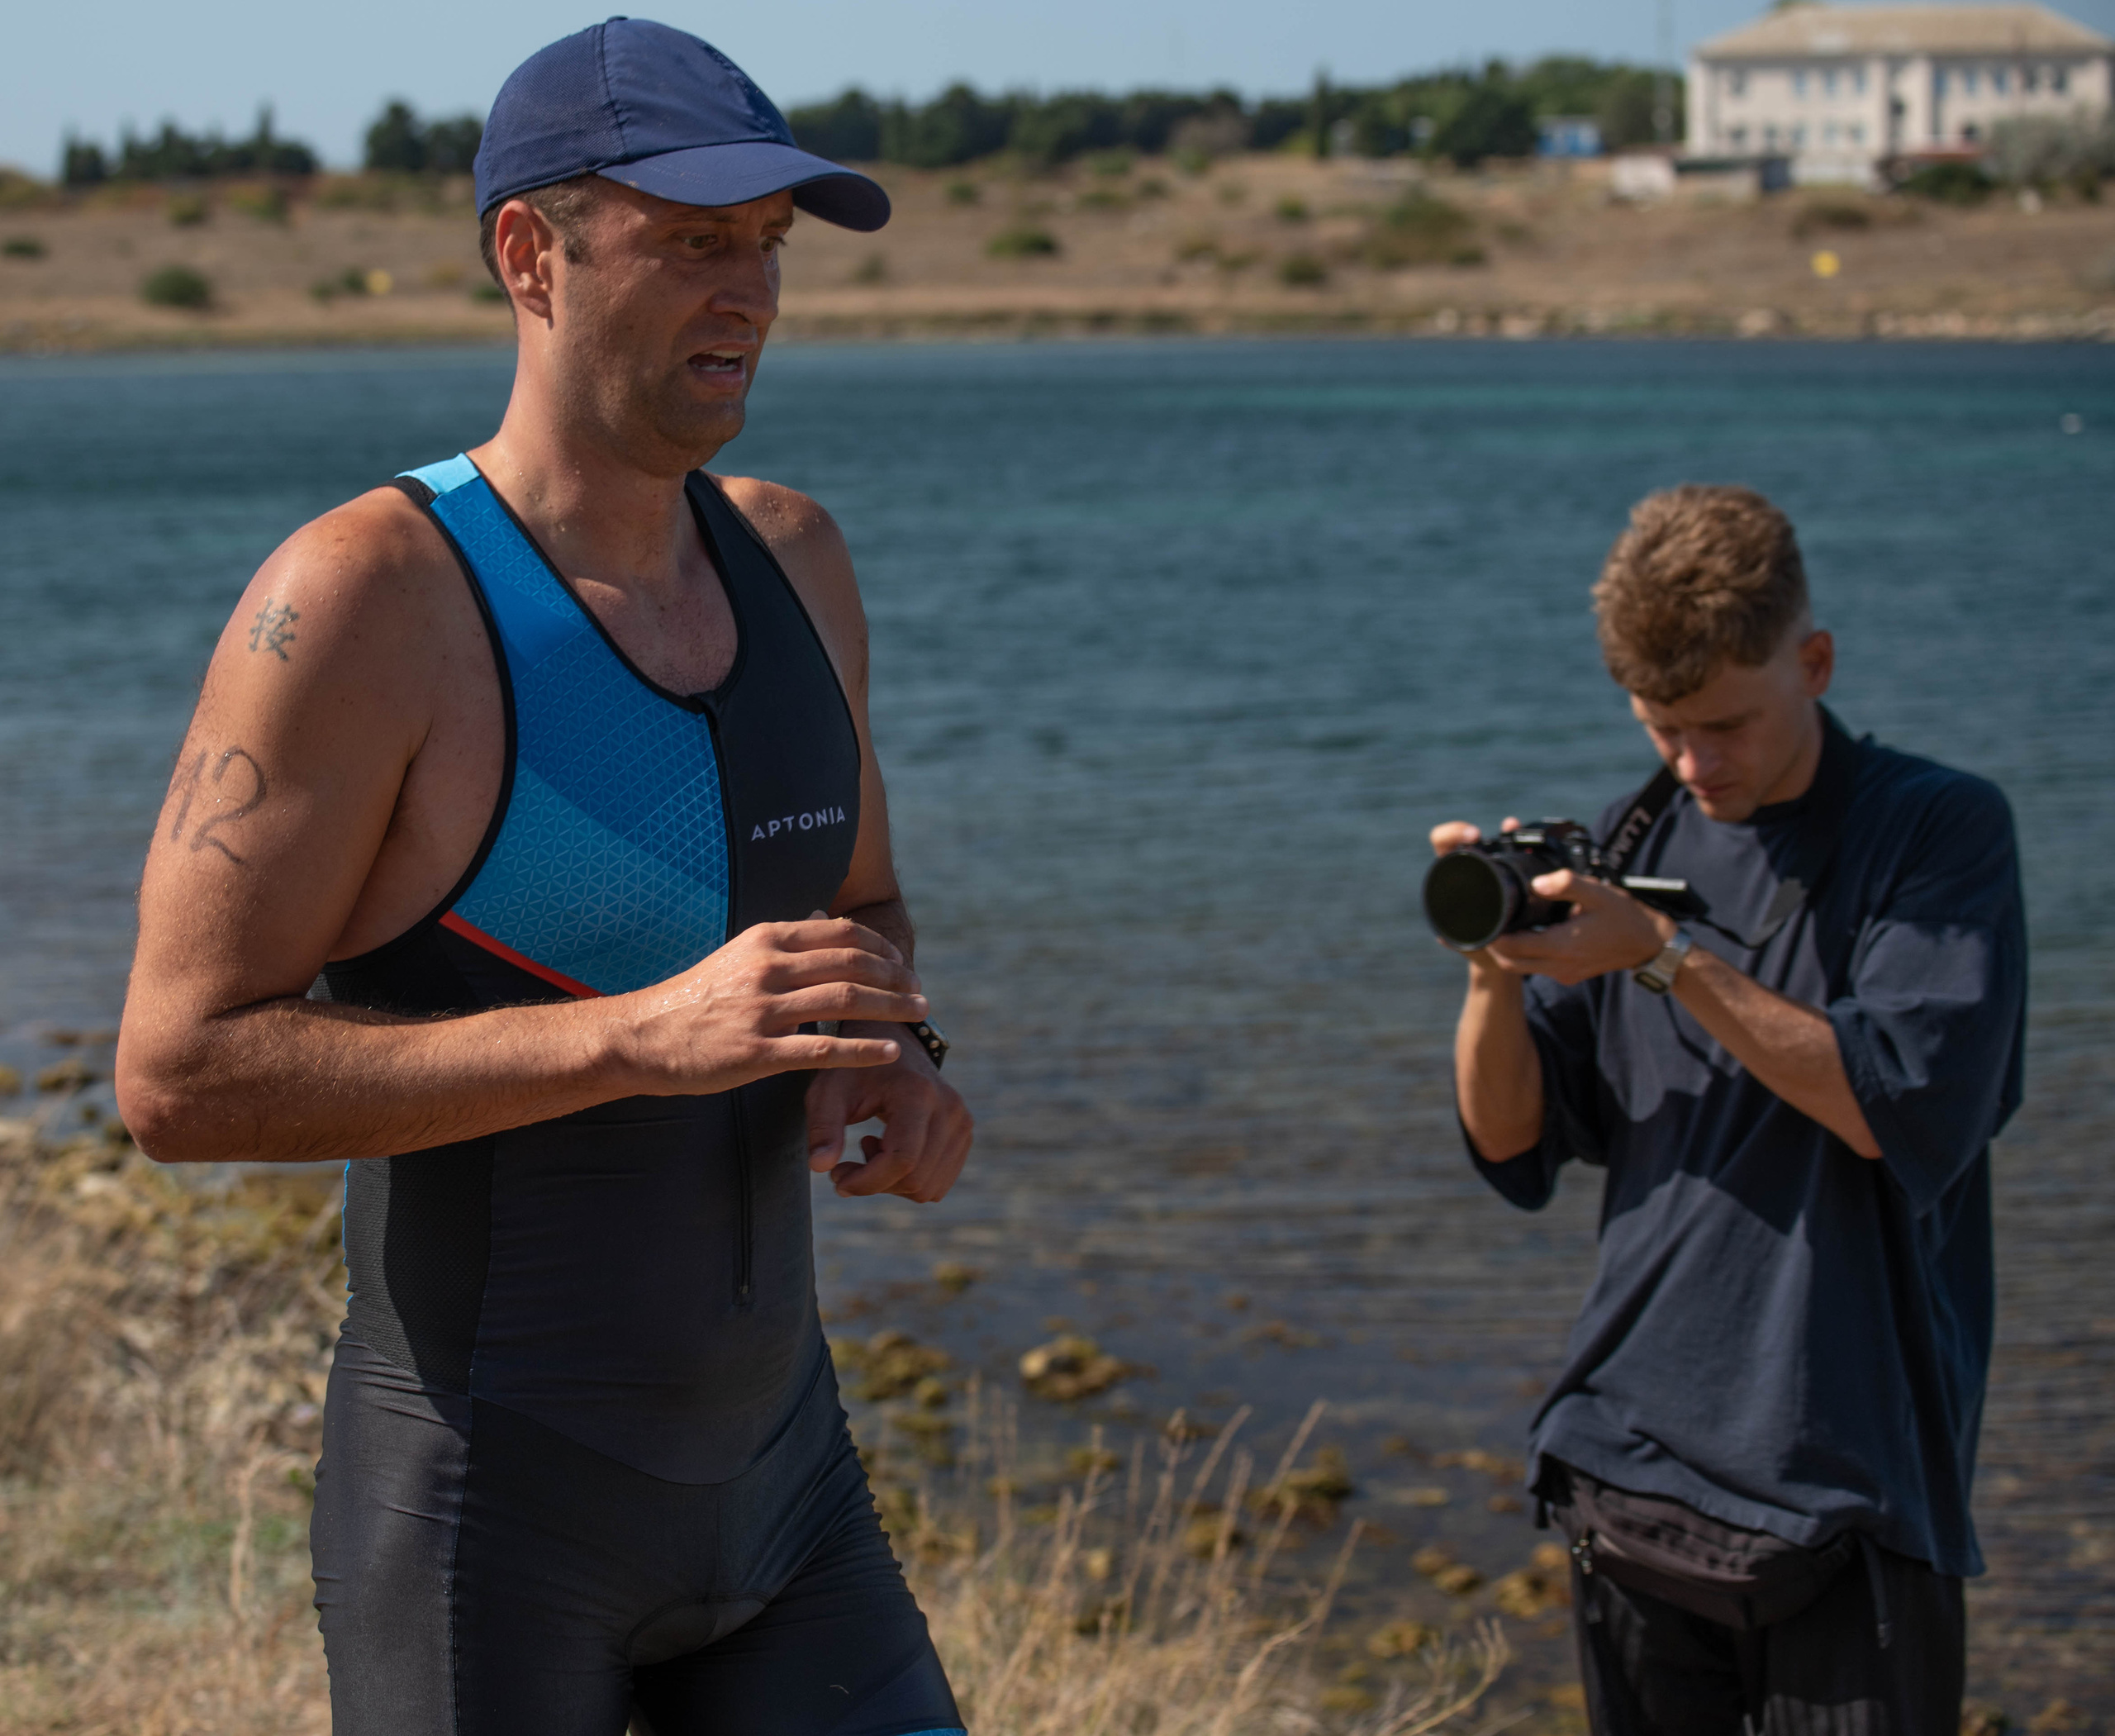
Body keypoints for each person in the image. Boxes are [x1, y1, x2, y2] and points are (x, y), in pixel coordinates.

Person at [115, 21, 972, 1735]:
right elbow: (176, 1073)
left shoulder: (795, 558)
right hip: (485, 1518)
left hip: (784, 1487)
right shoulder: (369, 598)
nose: (747, 295)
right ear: (531, 253)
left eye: (767, 249)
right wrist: (633, 1039)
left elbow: (857, 907)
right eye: (691, 242)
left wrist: (889, 1046)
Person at [1432, 485, 2024, 1734]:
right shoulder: (1631, 833)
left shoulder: (1936, 832)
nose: (1695, 765)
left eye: (1725, 724)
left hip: (1845, 1487)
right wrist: (1493, 974)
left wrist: (1662, 955)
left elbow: (1892, 1108)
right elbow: (1515, 1145)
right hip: (1625, 1466)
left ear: (1814, 661)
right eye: (1662, 728)